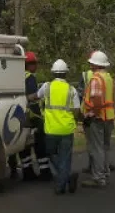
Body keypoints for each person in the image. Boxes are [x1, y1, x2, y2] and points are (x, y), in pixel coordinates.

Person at [37, 59, 80, 195]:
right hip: (66, 129)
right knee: (65, 157)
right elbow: (77, 110)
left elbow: (36, 96)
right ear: (66, 74)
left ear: (53, 73)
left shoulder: (46, 87)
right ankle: (66, 179)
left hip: (51, 129)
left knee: (51, 155)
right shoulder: (71, 89)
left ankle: (60, 186)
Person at [80, 50, 115, 189]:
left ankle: (98, 178)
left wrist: (91, 115)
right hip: (109, 117)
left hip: (98, 118)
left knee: (97, 148)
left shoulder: (96, 79)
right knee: (105, 147)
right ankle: (105, 173)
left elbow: (96, 100)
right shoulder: (108, 78)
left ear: (95, 64)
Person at [17, 52, 51, 179]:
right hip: (33, 117)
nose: (36, 66)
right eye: (35, 63)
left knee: (24, 146)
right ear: (29, 64)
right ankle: (45, 171)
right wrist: (41, 93)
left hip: (20, 116)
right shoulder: (29, 77)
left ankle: (27, 172)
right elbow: (32, 97)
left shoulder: (16, 76)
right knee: (40, 144)